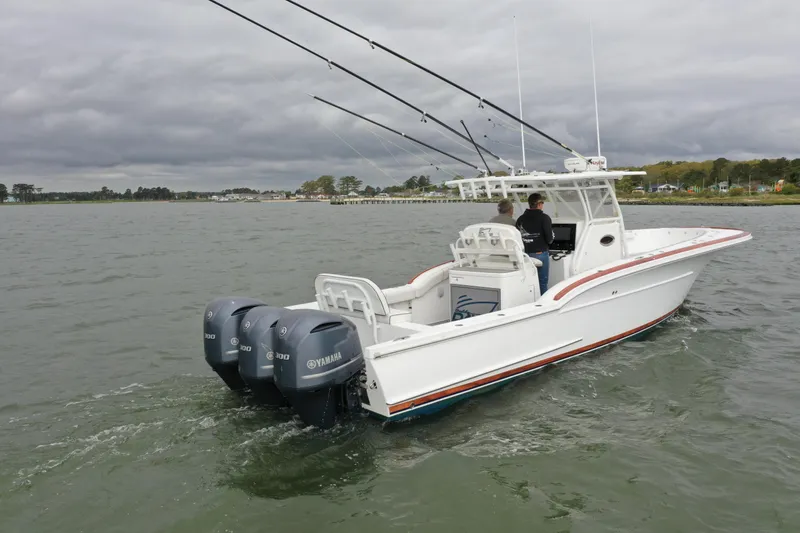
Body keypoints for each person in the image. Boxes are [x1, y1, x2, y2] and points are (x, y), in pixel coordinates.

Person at [515, 193, 553, 295]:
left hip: (525, 256)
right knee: (542, 282)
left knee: (528, 283)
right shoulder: (545, 218)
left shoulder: (520, 219)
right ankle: (544, 304)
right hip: (540, 254)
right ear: (540, 204)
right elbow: (549, 239)